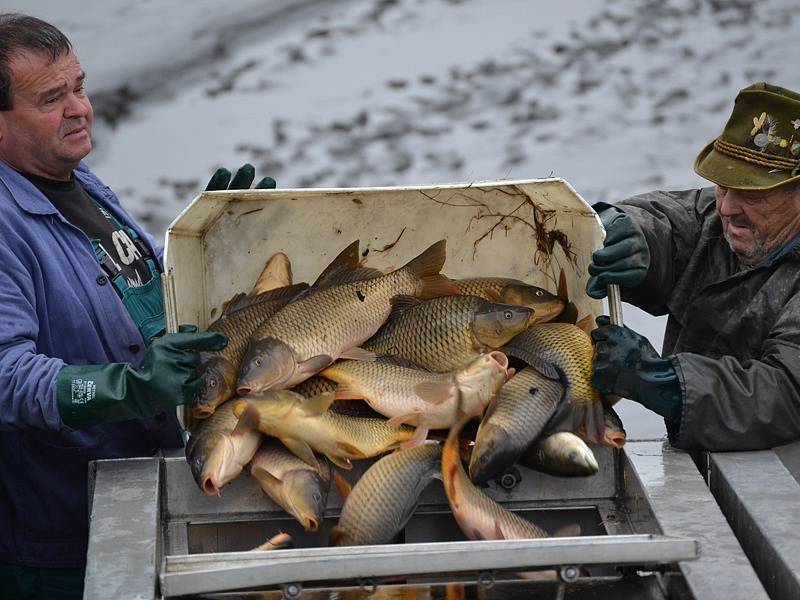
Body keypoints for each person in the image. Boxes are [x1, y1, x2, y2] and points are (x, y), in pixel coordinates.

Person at [0, 13, 274, 599]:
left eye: (79, 86)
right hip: (62, 552)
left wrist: (214, 240)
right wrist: (125, 386)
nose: (80, 108)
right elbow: (6, 377)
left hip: (151, 495)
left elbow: (141, 276)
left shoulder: (76, 180)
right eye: (52, 98)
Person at [587, 82, 800, 452]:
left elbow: (783, 394)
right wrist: (625, 230)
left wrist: (663, 381)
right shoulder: (726, 221)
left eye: (752, 193)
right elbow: (672, 222)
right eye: (722, 186)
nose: (728, 208)